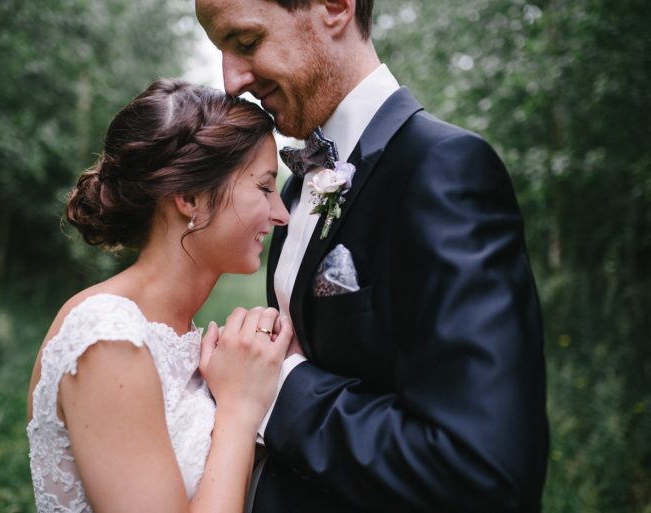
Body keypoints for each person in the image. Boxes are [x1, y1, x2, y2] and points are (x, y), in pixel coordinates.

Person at [196, 1, 549, 512]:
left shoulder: (442, 169)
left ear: (335, 8)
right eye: (221, 51)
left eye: (246, 43)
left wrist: (275, 390)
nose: (231, 80)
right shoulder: (295, 191)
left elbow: (485, 473)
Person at [26, 78, 294, 513]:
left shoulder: (179, 333)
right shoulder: (107, 338)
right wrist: (240, 409)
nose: (281, 213)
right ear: (189, 197)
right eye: (264, 187)